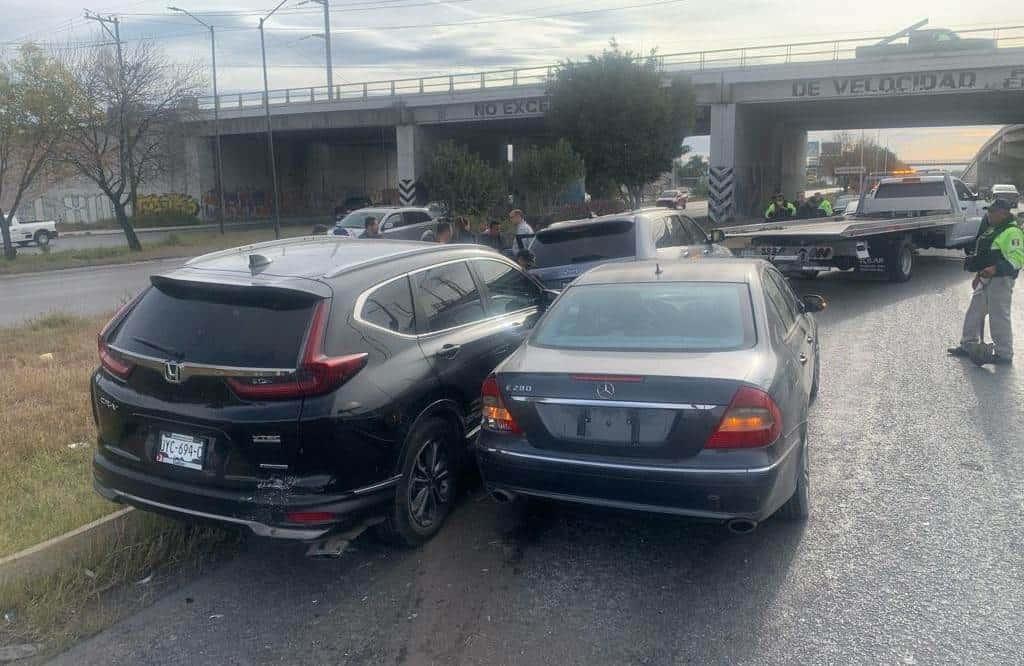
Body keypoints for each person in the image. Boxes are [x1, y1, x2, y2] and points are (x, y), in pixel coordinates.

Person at [948, 198, 1024, 365]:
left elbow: (1017, 259)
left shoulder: (1012, 232)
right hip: (986, 277)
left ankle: (1004, 353)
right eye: (988, 211)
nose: (988, 214)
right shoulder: (994, 229)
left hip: (1001, 280)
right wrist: (979, 275)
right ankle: (968, 345)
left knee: (999, 315)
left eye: (992, 212)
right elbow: (986, 257)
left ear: (1003, 214)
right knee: (975, 311)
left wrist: (995, 269)